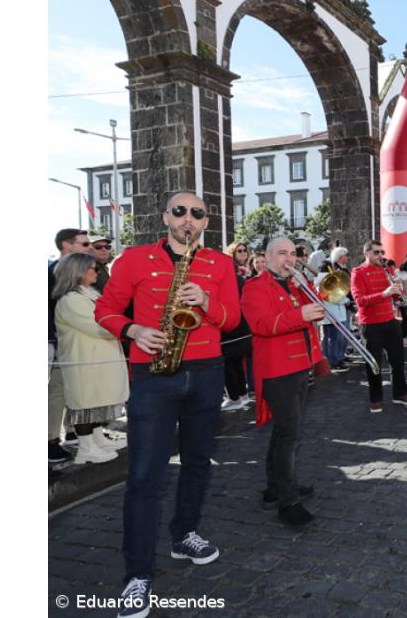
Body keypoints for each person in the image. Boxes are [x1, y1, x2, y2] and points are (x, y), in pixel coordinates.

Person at [95, 192, 240, 615]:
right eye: (179, 211)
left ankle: (185, 534)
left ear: (205, 222)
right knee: (144, 476)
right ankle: (137, 574)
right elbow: (104, 309)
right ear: (165, 218)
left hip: (207, 372)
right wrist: (134, 330)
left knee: (198, 463)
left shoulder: (220, 263)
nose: (187, 219)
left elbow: (232, 320)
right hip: (152, 375)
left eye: (197, 213)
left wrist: (209, 303)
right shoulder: (134, 259)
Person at [241, 237, 324, 528]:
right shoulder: (254, 286)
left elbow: (315, 312)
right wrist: (300, 313)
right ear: (266, 256)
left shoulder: (293, 284)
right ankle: (287, 502)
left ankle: (275, 488)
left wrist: (307, 291)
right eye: (282, 253)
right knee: (289, 436)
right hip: (278, 370)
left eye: (292, 253)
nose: (289, 258)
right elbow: (262, 325)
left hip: (301, 365)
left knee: (285, 432)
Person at [53, 253, 128, 464]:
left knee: (96, 403)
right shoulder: (70, 300)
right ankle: (85, 449)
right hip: (84, 362)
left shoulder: (88, 293)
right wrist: (126, 327)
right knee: (84, 406)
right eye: (92, 268)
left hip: (97, 360)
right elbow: (100, 326)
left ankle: (97, 440)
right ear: (78, 272)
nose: (96, 272)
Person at [350, 241, 407, 412]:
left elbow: (394, 297)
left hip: (389, 321)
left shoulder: (388, 269)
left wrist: (397, 293)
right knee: (374, 363)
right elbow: (360, 301)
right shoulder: (358, 272)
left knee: (397, 360)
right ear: (367, 254)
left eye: (382, 252)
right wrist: (384, 294)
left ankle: (400, 393)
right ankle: (375, 398)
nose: (381, 256)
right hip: (370, 325)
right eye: (377, 252)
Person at [49, 228, 90, 464]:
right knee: (57, 391)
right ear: (66, 245)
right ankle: (51, 440)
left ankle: (73, 432)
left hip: (71, 342)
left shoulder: (76, 272)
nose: (90, 248)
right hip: (56, 342)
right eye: (84, 244)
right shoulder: (52, 273)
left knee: (71, 388)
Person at [221, 246, 255, 412]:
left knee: (229, 365)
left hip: (230, 329)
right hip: (242, 328)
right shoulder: (240, 279)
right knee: (236, 365)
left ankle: (234, 397)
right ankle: (242, 395)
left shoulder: (227, 281)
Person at [318, 246, 352, 371]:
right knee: (333, 337)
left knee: (333, 337)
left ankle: (334, 359)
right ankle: (333, 361)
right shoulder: (327, 271)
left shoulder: (332, 271)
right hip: (332, 309)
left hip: (337, 308)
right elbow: (330, 293)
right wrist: (346, 300)